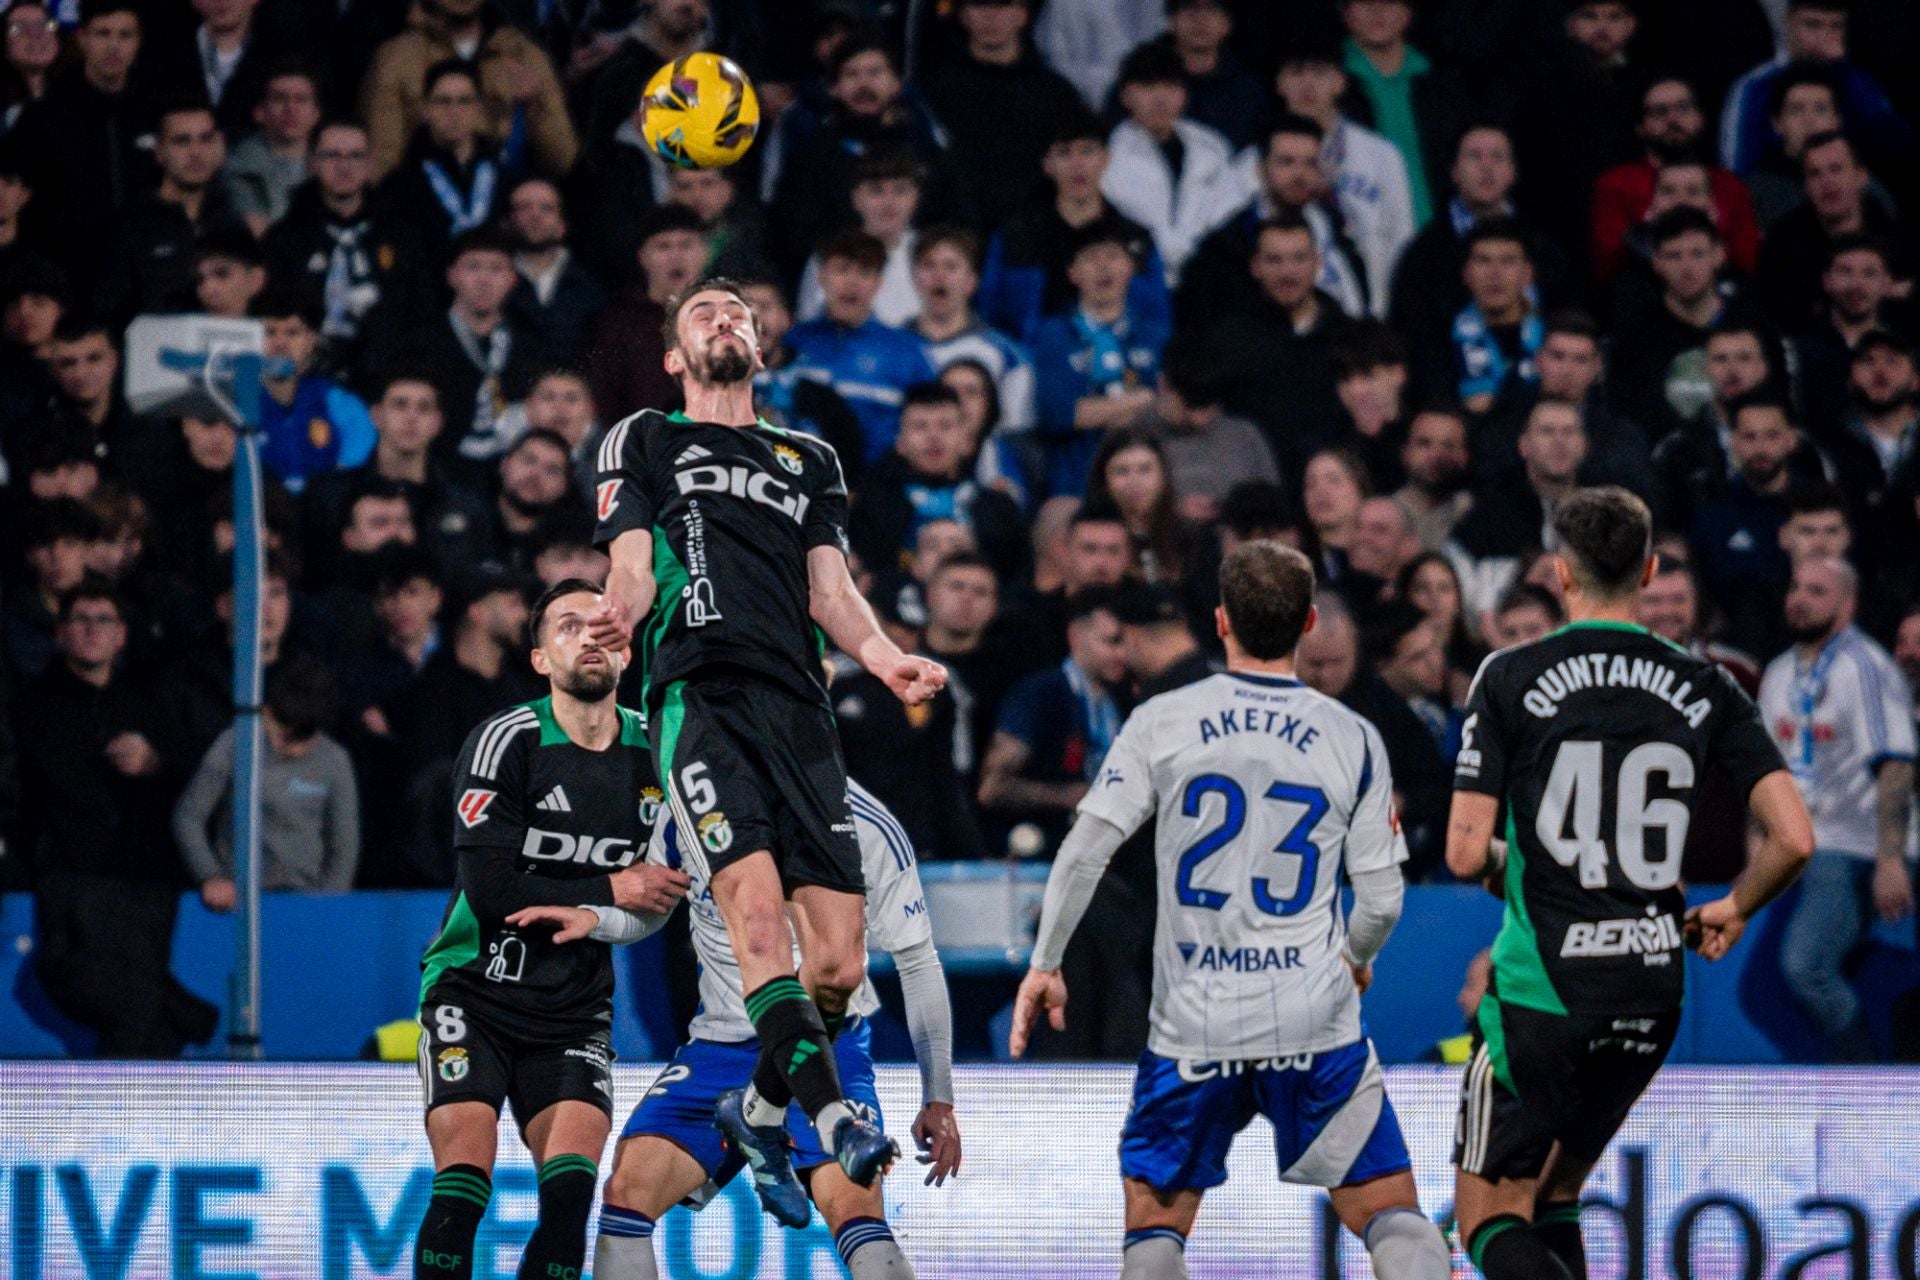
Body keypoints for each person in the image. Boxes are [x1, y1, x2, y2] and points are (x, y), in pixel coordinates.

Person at [589, 276, 946, 1220]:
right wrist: (613, 623)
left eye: (737, 314)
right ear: (673, 355)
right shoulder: (644, 437)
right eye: (703, 314)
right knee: (755, 928)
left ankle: (757, 1110)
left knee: (837, 967)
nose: (722, 321)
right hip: (698, 701)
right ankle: (834, 1125)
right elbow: (628, 566)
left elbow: (830, 591)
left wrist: (883, 655)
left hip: (801, 711)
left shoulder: (808, 457)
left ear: (762, 347)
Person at [1010, 540, 1452, 1280]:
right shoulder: (1355, 736)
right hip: (1314, 1019)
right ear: (1309, 621)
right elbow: (1381, 896)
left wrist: (1047, 962)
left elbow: (1085, 847)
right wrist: (1356, 960)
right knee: (1393, 1218)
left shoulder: (1163, 718)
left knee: (1154, 1236)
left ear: (1221, 622)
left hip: (1194, 1024)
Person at [1444, 486, 1813, 1280]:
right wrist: (1737, 905)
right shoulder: (1708, 683)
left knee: (1487, 1217)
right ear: (1647, 570)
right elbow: (1794, 838)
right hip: (1650, 985)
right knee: (1558, 1194)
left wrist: (1524, 865)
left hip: (1543, 987)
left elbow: (1466, 855)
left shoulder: (1510, 675)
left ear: (1558, 573)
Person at [534, 775, 960, 1279]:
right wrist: (596, 919)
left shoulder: (866, 825)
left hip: (825, 1047)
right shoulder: (689, 807)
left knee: (854, 1209)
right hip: (720, 1049)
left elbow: (917, 961)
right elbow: (654, 910)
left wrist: (939, 1096)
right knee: (626, 1192)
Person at [411, 579, 689, 1280]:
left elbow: (663, 894)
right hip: (473, 995)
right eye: (569, 627)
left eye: (603, 627)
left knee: (568, 1198)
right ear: (539, 659)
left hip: (573, 1010)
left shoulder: (658, 751)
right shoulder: (509, 739)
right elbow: (492, 889)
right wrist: (608, 886)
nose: (590, 638)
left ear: (626, 653)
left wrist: (618, 903)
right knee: (462, 1190)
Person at [19, 579, 219, 1057]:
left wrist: (155, 763)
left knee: (141, 1013)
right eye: (80, 621)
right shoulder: (34, 703)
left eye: (103, 620)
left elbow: (195, 776)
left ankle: (177, 1024)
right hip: (72, 877)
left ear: (122, 634)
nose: (91, 631)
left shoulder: (151, 700)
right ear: (61, 633)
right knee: (126, 1000)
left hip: (143, 879)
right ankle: (186, 1013)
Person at [1759, 556, 1916, 1061]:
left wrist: (1890, 858)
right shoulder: (1779, 672)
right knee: (1768, 983)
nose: (1799, 598)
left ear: (1847, 605)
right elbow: (1767, 772)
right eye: (1796, 587)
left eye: (1817, 591)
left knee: (1806, 966)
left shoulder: (1865, 667)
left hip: (1852, 846)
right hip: (1798, 846)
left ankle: (1864, 1081)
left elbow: (1895, 765)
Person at [172, 655, 358, 906]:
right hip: (237, 899)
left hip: (305, 898)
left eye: (304, 739)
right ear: (266, 712)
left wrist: (329, 902)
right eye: (284, 735)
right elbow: (189, 816)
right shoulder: (235, 743)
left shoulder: (334, 760)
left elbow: (344, 843)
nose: (292, 749)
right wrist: (211, 876)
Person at [977, 109, 1171, 345]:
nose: (1077, 165)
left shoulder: (1134, 239)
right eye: (1064, 153)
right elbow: (987, 315)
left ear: (1106, 158)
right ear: (1047, 164)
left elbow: (1158, 320)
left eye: (1087, 151)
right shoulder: (1016, 236)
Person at [1274, 37, 1416, 318]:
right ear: (1279, 84)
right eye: (1297, 72)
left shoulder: (1382, 155)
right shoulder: (1251, 165)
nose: (1308, 84)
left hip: (1371, 319)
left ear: (1340, 82)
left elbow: (1403, 242)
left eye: (1319, 72)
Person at [263, 118, 426, 362]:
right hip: (304, 372)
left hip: (386, 375)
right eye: (332, 156)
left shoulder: (402, 237)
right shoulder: (284, 238)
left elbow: (422, 314)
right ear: (313, 163)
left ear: (370, 164)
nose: (344, 166)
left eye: (356, 156)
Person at [361, 0, 575, 181]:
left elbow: (565, 163)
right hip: (423, 211)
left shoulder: (524, 54)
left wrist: (534, 109)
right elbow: (382, 165)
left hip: (511, 214)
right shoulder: (395, 59)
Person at [1030, 220, 1168, 497]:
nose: (1103, 268)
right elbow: (1061, 414)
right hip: (1075, 485)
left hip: (1146, 483)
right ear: (1072, 273)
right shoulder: (1052, 335)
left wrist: (1098, 410)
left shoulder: (1157, 336)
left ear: (1130, 268)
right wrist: (1140, 400)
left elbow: (1167, 409)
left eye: (1113, 257)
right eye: (1092, 259)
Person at [919, 0, 1082, 231]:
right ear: (963, 16)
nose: (990, 16)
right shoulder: (935, 90)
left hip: (1035, 233)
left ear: (1023, 15)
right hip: (954, 235)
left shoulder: (1055, 94)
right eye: (980, 5)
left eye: (1003, 5)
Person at [1099, 40, 1246, 285]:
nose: (1160, 97)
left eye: (1171, 86)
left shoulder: (1212, 147)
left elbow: (1224, 215)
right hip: (1139, 279)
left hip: (1208, 278)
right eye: (1148, 86)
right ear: (1125, 95)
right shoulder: (1109, 156)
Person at [787, 230, 940, 467]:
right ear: (821, 277)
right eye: (843, 269)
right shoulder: (794, 341)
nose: (852, 281)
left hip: (875, 488)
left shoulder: (908, 353)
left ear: (879, 284)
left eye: (864, 272)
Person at [1590, 75, 1761, 282]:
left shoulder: (1729, 186)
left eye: (1683, 108)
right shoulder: (1615, 184)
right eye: (1659, 112)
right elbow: (1606, 267)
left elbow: (1749, 265)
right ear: (1640, 127)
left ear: (1700, 118)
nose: (1673, 119)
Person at [92, 100, 246, 327]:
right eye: (182, 141)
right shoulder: (130, 226)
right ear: (159, 152)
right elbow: (109, 311)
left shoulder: (231, 222)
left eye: (205, 139)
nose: (196, 152)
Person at [1719, 0, 1909, 178]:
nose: (1824, 38)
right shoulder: (1755, 87)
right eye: (1812, 25)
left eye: (1835, 27)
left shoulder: (1857, 81)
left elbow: (1896, 145)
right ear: (1789, 22)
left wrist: (1843, 72)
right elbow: (1737, 170)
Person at [586, 204, 707, 427]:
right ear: (643, 257)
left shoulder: (722, 318)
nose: (675, 256)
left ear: (704, 253)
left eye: (685, 245)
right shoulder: (618, 323)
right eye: (663, 247)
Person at [504, 177, 606, 366]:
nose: (535, 215)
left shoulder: (589, 285)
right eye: (524, 207)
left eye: (546, 208)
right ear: (508, 221)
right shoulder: (497, 280)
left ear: (562, 224)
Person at [222, 60, 322, 235]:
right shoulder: (237, 168)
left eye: (301, 99)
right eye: (280, 98)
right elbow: (260, 235)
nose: (291, 108)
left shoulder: (331, 164)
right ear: (259, 112)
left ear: (316, 114)